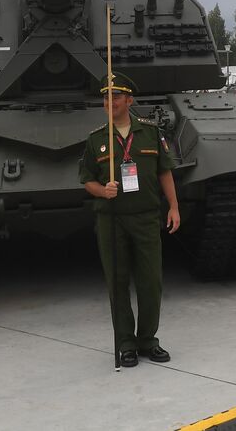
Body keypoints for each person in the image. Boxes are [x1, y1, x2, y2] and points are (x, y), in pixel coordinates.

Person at [78, 73, 178, 367]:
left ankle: (148, 340)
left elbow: (164, 171)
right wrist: (102, 190)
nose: (110, 102)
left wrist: (174, 207)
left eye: (116, 97)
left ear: (129, 100)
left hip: (146, 217)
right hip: (112, 220)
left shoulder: (149, 133)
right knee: (118, 283)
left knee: (151, 282)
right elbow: (86, 180)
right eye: (106, 98)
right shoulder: (97, 139)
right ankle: (126, 343)